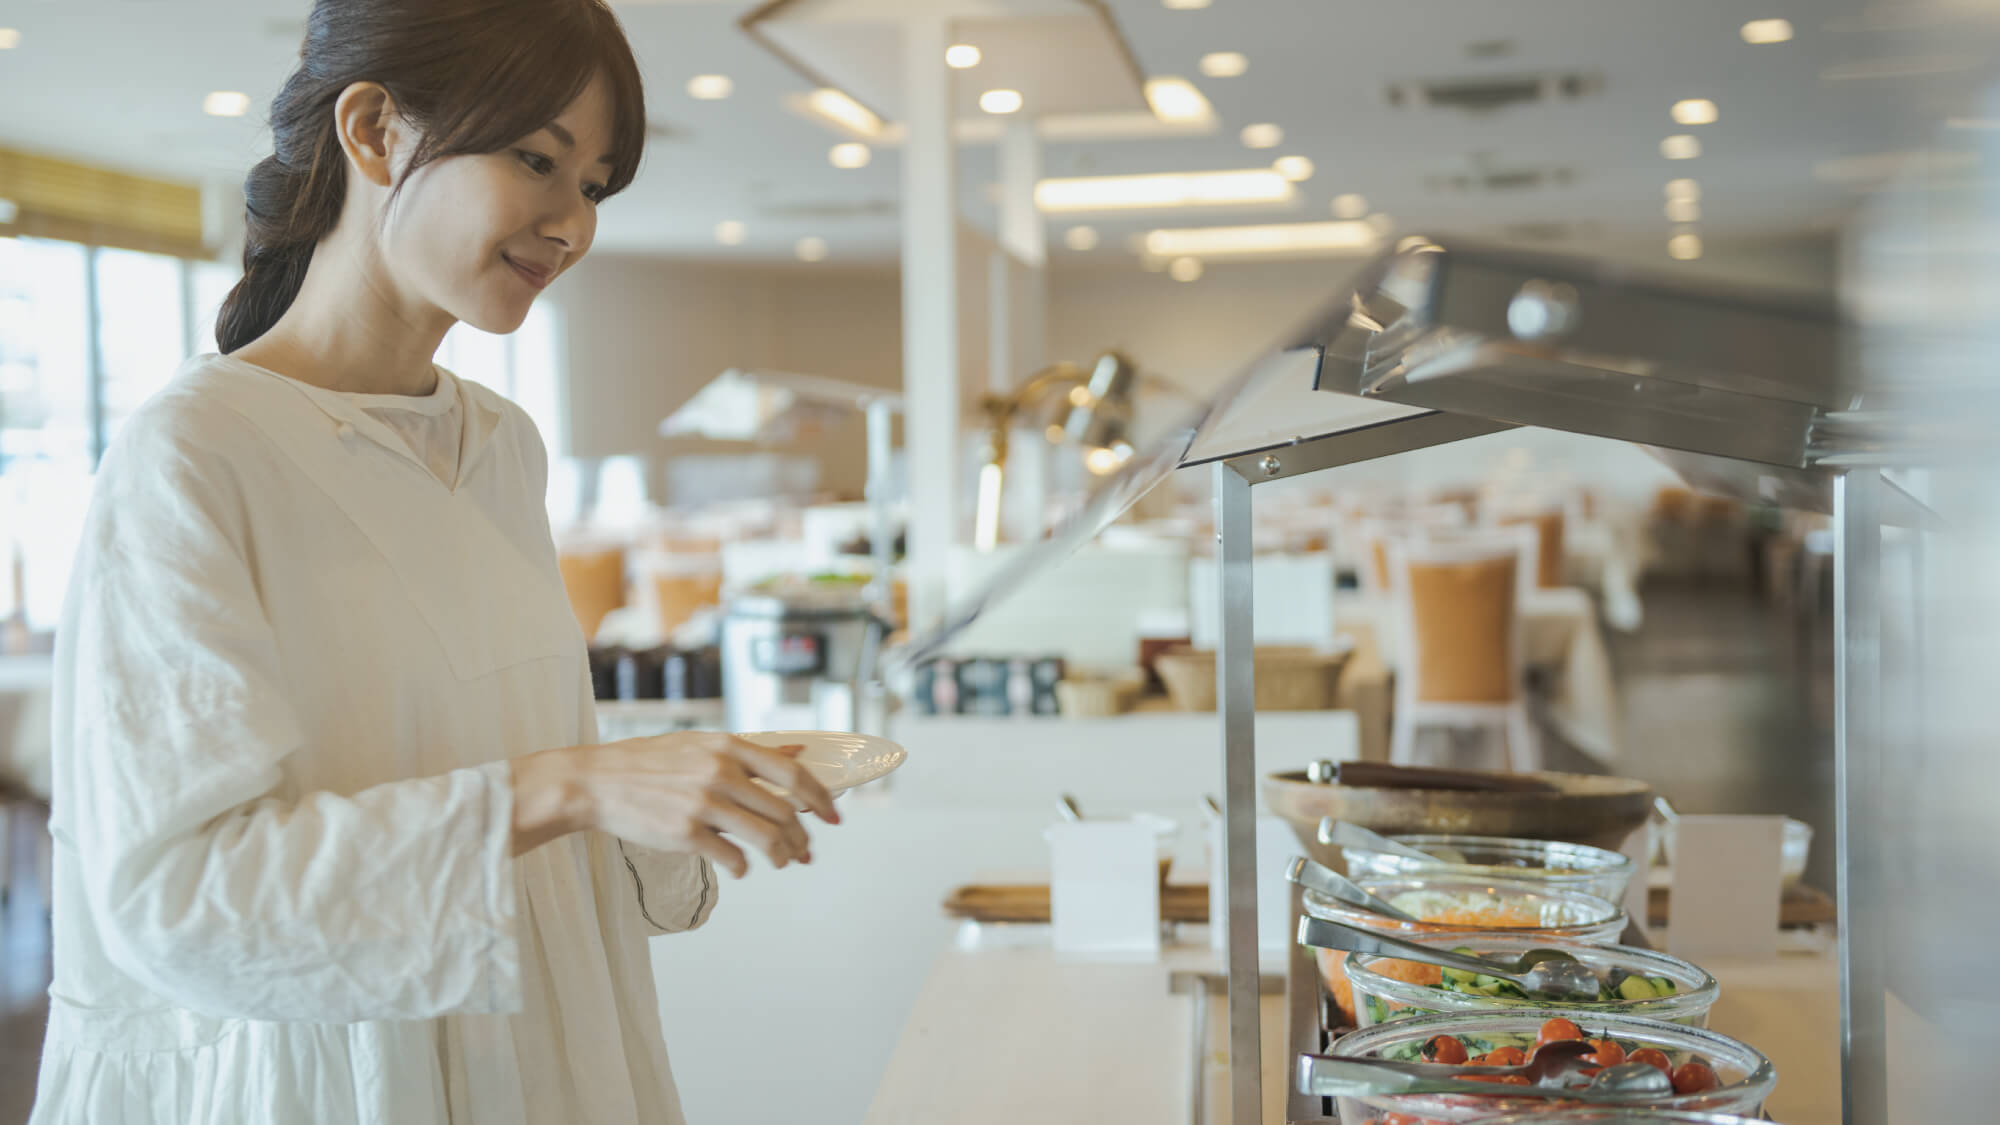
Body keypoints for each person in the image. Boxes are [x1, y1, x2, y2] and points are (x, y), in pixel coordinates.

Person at [29, 2, 839, 1122]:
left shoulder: (500, 445)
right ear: (373, 132)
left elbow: (489, 756)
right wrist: (577, 783)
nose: (571, 225)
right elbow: (180, 898)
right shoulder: (198, 450)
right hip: (330, 1078)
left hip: (544, 1046)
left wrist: (651, 778)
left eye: (595, 186)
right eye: (535, 159)